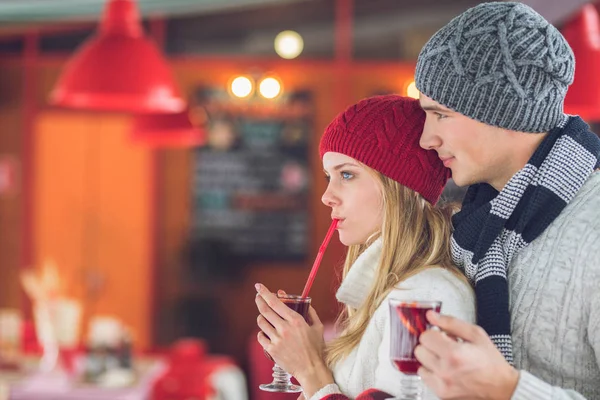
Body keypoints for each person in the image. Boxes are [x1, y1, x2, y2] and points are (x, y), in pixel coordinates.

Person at [410, 2, 600, 399]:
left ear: (505, 113)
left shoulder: (593, 229)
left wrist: (507, 388)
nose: (427, 138)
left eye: (440, 114)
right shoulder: (473, 225)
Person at [254, 94, 476, 400]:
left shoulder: (424, 297)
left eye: (347, 174)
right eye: (328, 177)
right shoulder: (389, 291)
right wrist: (312, 357)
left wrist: (310, 369)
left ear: (400, 186)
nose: (327, 196)